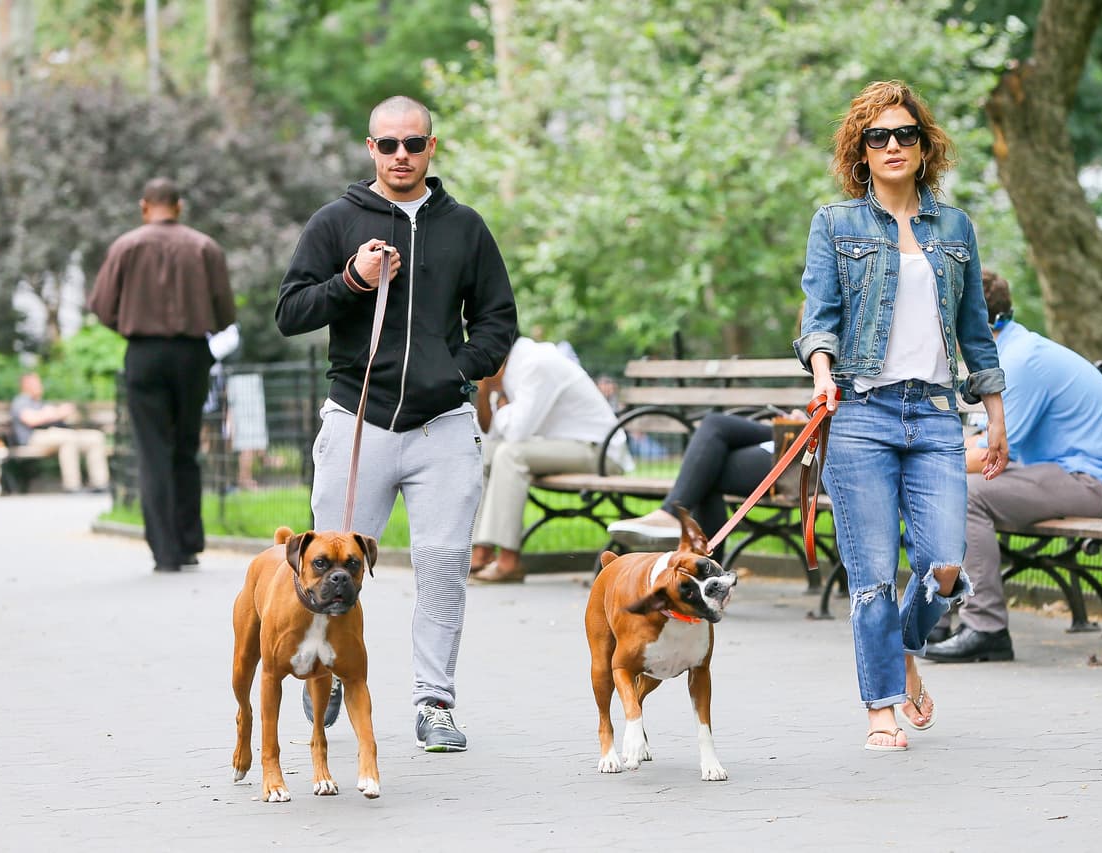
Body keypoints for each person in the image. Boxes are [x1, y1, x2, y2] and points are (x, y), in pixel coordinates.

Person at [276, 96, 516, 751]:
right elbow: (291, 311)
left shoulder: (465, 226)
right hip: (359, 421)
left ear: (432, 148)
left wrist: (457, 370)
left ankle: (434, 702)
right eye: (389, 145)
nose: (401, 155)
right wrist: (352, 279)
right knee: (326, 567)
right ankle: (319, 676)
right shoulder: (336, 221)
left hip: (442, 426)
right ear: (370, 148)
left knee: (441, 563)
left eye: (413, 143)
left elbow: (498, 319)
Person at [795, 80, 1008, 752]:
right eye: (877, 136)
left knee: (945, 562)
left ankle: (904, 647)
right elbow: (818, 320)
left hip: (937, 418)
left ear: (924, 146)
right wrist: (825, 379)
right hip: (861, 413)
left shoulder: (957, 228)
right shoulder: (836, 223)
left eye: (904, 134)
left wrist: (995, 416)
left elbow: (976, 332)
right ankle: (881, 707)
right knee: (872, 577)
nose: (892, 145)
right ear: (861, 150)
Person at [924, 270, 1102, 663]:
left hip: (1099, 483)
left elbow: (991, 455)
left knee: (965, 494)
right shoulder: (1006, 353)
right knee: (940, 486)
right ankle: (936, 615)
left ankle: (985, 628)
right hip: (1063, 473)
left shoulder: (1021, 362)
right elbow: (975, 441)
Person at [88, 177, 236, 572]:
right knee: (186, 447)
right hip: (191, 354)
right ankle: (188, 543)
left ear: (144, 206)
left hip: (145, 354)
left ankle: (165, 552)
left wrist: (132, 324)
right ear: (179, 205)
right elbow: (224, 313)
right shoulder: (205, 246)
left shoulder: (126, 246)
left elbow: (101, 305)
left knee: (153, 452)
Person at [469, 335, 630, 583]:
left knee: (510, 455)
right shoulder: (512, 370)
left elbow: (515, 433)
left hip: (600, 451)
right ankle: (480, 551)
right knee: (487, 451)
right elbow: (490, 433)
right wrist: (485, 391)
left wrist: (498, 396)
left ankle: (508, 561)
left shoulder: (536, 363)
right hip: (567, 446)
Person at [606, 409, 807, 563]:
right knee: (715, 426)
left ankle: (676, 520)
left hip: (816, 450)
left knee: (709, 466)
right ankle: (703, 570)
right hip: (797, 433)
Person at [9, 373, 110, 494]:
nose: (40, 386)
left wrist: (65, 412)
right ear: (26, 385)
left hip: (56, 435)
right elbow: (31, 420)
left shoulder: (41, 402)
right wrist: (55, 413)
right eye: (37, 383)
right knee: (68, 438)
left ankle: (100, 484)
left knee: (95, 437)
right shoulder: (21, 401)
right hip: (33, 438)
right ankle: (73, 486)